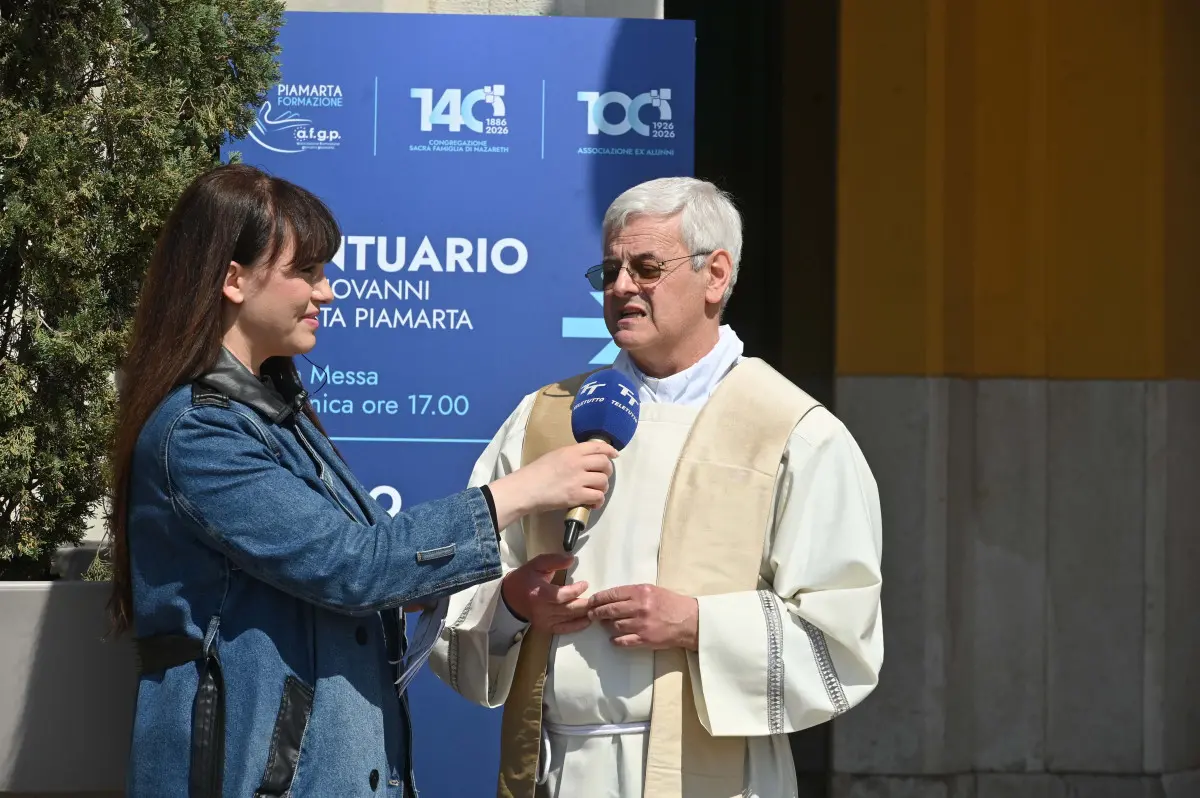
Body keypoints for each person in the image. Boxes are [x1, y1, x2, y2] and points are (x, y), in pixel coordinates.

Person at [107, 163, 616, 797]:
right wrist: (520, 492)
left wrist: (504, 598)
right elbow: (355, 566)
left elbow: (350, 573)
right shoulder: (199, 433)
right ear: (233, 279)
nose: (326, 293)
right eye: (305, 272)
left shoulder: (271, 412)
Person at [429, 177, 884, 798]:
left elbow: (842, 635)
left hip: (715, 775)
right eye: (610, 270)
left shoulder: (793, 432)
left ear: (716, 275)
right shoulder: (545, 417)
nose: (620, 288)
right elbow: (454, 594)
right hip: (555, 765)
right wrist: (513, 603)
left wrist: (698, 623)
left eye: (645, 267)